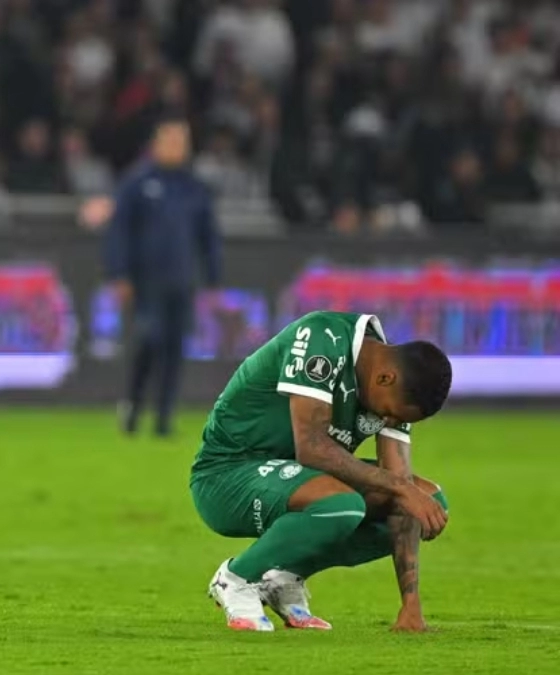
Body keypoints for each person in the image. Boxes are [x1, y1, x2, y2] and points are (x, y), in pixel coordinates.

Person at [190, 311, 452, 632]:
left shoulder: (394, 383)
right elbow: (311, 448)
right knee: (344, 503)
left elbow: (400, 489)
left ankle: (282, 577)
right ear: (385, 378)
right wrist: (402, 489)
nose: (386, 422)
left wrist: (411, 607)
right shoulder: (322, 339)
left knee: (428, 500)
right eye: (387, 414)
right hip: (226, 476)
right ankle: (236, 578)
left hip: (297, 481)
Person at [104, 116, 221, 437]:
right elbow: (119, 231)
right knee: (148, 341)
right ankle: (133, 405)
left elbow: (208, 235)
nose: (176, 147)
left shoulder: (194, 188)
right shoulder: (137, 183)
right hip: (146, 282)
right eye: (170, 140)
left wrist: (213, 278)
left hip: (182, 280)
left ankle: (164, 418)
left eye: (182, 141)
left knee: (174, 349)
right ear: (156, 144)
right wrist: (119, 274)